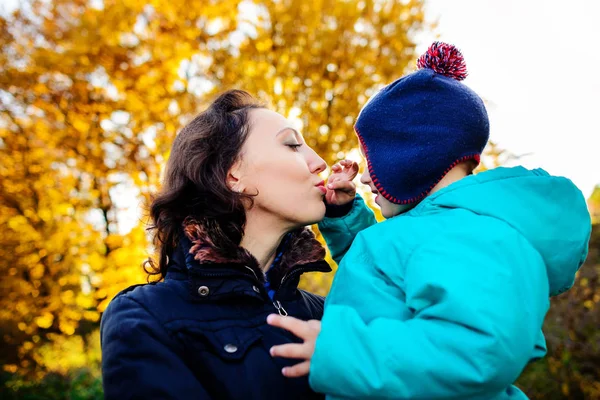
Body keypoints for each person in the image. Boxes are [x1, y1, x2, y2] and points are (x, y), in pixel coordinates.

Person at [268, 42, 592, 399]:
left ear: (410, 157)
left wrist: (346, 352)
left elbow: (476, 346)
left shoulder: (468, 234)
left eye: (372, 160)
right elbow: (382, 282)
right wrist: (346, 215)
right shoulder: (438, 231)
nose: (364, 177)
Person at [100, 89, 374, 399]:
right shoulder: (146, 319)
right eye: (293, 145)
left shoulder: (325, 314)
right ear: (232, 175)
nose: (319, 163)